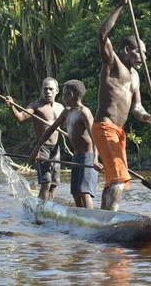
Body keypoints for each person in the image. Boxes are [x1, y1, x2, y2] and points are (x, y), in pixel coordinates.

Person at [92, 0, 151, 211]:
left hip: (119, 131)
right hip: (104, 126)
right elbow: (102, 35)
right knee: (119, 177)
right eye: (139, 52)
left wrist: (149, 118)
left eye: (144, 53)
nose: (143, 56)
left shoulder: (135, 78)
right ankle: (111, 221)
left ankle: (104, 216)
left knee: (115, 178)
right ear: (125, 50)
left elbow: (137, 108)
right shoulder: (113, 64)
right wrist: (121, 5)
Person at [30, 80, 103, 208]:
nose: (62, 97)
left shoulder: (84, 112)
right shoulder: (67, 112)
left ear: (71, 94)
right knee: (75, 193)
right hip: (76, 157)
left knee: (84, 192)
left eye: (64, 94)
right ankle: (81, 219)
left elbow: (95, 137)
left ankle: (90, 220)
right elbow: (50, 131)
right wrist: (36, 149)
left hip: (88, 157)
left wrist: (95, 159)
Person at [5, 77, 64, 201]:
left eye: (51, 89)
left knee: (54, 183)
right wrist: (11, 107)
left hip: (56, 149)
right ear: (42, 90)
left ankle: (50, 208)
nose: (48, 91)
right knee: (46, 182)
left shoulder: (61, 108)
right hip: (42, 148)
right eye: (45, 89)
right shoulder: (36, 106)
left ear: (57, 91)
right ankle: (41, 208)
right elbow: (20, 117)